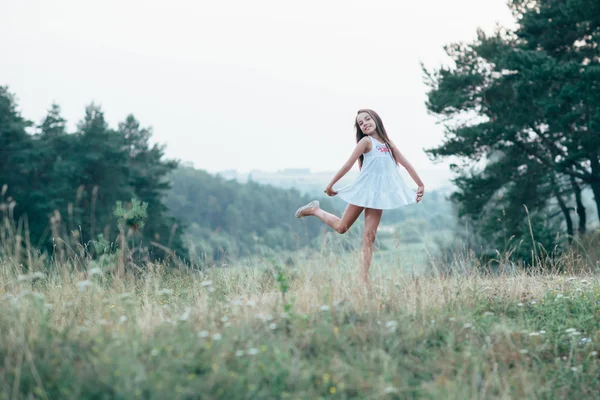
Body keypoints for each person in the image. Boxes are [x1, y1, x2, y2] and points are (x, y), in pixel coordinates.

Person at [295, 109, 424, 285]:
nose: (365, 124)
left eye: (367, 119)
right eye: (361, 123)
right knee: (341, 227)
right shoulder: (366, 142)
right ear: (360, 129)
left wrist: (420, 184)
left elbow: (406, 163)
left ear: (376, 120)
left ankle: (363, 280)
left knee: (370, 236)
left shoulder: (388, 144)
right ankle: (314, 209)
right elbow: (348, 164)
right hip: (363, 192)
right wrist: (330, 184)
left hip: (377, 195)